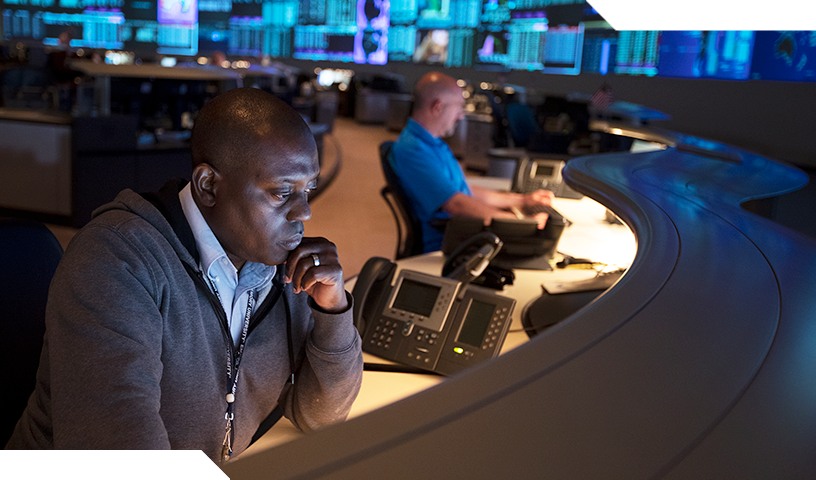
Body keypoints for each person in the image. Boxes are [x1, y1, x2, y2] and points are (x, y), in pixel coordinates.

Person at [5, 87, 364, 463]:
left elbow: (321, 415)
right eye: (281, 193)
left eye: (308, 189)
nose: (304, 212)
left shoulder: (282, 263)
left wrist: (333, 308)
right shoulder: (116, 260)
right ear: (208, 185)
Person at [391, 71, 555, 253]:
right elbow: (457, 204)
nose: (461, 115)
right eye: (459, 107)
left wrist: (522, 200)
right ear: (438, 107)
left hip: (462, 232)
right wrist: (520, 224)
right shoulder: (413, 149)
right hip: (450, 243)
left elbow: (462, 190)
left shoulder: (432, 143)